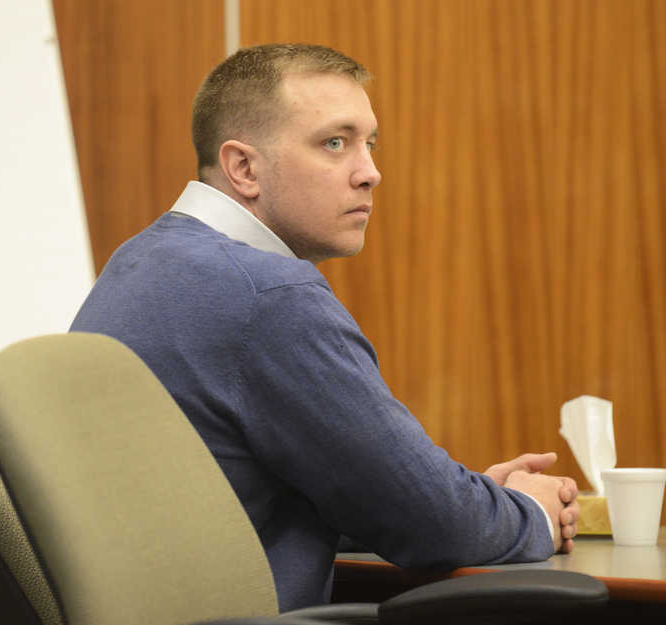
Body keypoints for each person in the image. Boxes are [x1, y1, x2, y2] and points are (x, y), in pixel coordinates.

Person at [71, 44, 580, 611]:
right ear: (244, 168)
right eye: (334, 143)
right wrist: (532, 510)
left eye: (370, 143)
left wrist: (477, 501)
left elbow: (275, 494)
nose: (370, 173)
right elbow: (433, 525)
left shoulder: (140, 261)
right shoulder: (270, 296)